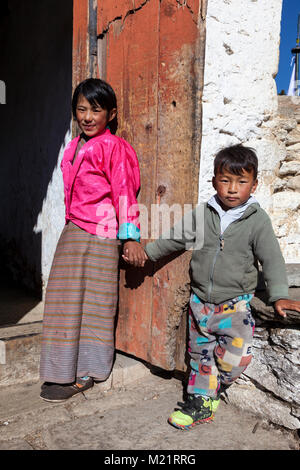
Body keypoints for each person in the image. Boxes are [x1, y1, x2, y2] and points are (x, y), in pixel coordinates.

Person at [123, 144, 300, 430]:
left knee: (236, 358)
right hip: (200, 302)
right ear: (214, 180)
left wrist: (279, 295)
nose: (232, 189)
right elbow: (176, 238)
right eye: (225, 180)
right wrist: (148, 253)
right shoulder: (204, 213)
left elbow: (272, 260)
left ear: (254, 185)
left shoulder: (257, 220)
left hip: (236, 303)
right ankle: (201, 403)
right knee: (199, 355)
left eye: (241, 182)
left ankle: (213, 385)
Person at [40, 78, 147, 402]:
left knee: (97, 304)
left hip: (101, 234)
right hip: (73, 231)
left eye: (96, 110)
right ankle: (61, 369)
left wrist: (129, 238)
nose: (87, 116)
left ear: (111, 114)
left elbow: (124, 193)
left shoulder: (114, 147)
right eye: (81, 109)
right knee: (63, 301)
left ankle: (88, 372)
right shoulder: (73, 147)